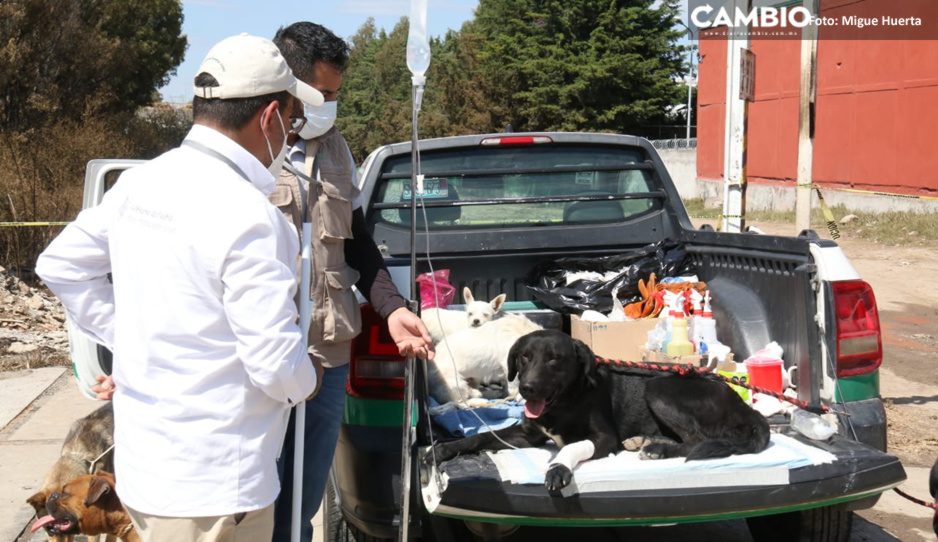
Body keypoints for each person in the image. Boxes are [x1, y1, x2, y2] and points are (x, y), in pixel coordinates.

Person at [36, 33, 326, 542]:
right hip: (216, 486)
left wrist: (127, 336)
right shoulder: (251, 216)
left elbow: (61, 265)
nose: (291, 138)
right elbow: (273, 363)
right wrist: (308, 379)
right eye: (292, 122)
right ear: (269, 118)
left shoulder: (142, 183)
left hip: (147, 475)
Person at [269, 22, 434, 542]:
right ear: (289, 87)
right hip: (262, 355)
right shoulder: (251, 150)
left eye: (338, 93)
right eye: (325, 93)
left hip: (327, 354)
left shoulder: (338, 150)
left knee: (302, 502)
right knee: (254, 502)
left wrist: (392, 307)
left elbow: (357, 242)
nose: (332, 104)